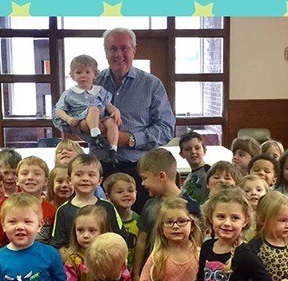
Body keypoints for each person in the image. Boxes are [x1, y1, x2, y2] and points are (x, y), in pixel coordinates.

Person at [93, 27, 176, 212]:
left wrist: (130, 139)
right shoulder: (93, 84)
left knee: (139, 227)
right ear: (105, 51)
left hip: (140, 172)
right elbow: (65, 119)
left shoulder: (151, 85)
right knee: (100, 227)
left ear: (134, 50)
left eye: (124, 48)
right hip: (99, 170)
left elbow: (166, 128)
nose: (119, 54)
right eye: (113, 49)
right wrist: (86, 128)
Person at [132, 148, 201, 281]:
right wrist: (136, 272)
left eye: (145, 178)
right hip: (153, 273)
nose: (142, 184)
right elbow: (141, 240)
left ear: (161, 176)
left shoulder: (191, 206)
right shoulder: (149, 205)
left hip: (185, 276)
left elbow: (197, 242)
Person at [54, 55, 122, 164]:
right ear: (72, 76)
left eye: (87, 72)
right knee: (93, 109)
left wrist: (116, 111)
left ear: (95, 74)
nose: (83, 76)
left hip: (101, 118)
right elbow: (58, 110)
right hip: (83, 118)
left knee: (112, 123)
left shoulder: (99, 91)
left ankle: (113, 149)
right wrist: (68, 118)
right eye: (78, 72)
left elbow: (108, 105)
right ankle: (96, 135)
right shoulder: (69, 94)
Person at [50, 154, 124, 250]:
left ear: (99, 180)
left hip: (104, 261)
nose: (85, 178)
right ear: (69, 179)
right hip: (74, 262)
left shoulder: (108, 207)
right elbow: (57, 244)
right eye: (79, 174)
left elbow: (119, 238)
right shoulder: (63, 210)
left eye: (91, 175)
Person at [0, 156, 57, 247]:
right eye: (24, 173)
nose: (30, 177)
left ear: (46, 181)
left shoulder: (52, 210)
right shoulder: (9, 207)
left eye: (37, 174)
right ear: (17, 180)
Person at [103, 172, 139, 269]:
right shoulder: (106, 221)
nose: (126, 194)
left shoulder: (140, 220)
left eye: (130, 191)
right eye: (120, 192)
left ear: (136, 193)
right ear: (108, 197)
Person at [179, 131, 211, 205]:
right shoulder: (188, 179)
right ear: (181, 154)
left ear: (204, 150)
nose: (193, 152)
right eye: (188, 149)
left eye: (197, 148)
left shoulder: (211, 174)